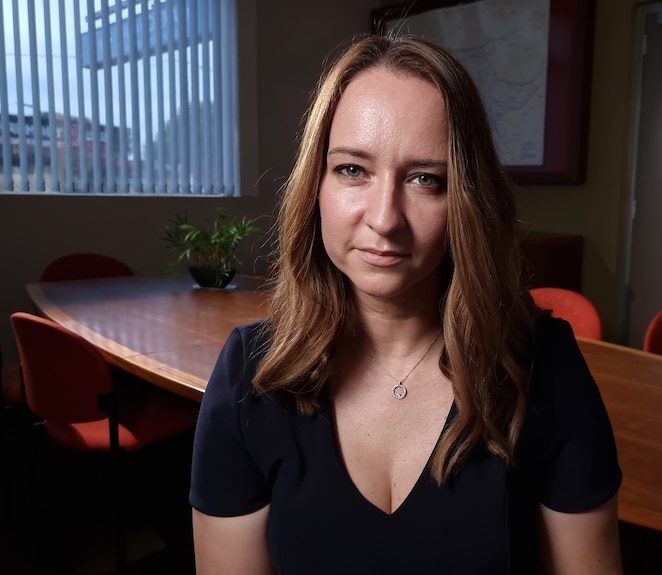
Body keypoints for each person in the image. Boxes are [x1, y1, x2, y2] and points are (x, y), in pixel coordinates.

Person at [189, 33, 623, 575]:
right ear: (315, 185)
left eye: (426, 179)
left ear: (467, 200)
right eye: (352, 170)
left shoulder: (545, 366)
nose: (385, 218)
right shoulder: (250, 374)